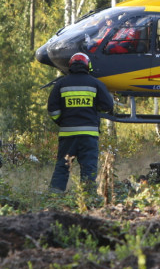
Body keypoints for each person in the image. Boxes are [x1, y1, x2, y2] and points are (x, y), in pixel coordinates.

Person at [47, 52, 114, 194]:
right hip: (89, 135)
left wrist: (62, 121)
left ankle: (53, 197)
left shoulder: (61, 84)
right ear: (88, 65)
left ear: (70, 66)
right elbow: (108, 106)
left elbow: (52, 110)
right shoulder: (95, 83)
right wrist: (94, 108)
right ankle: (88, 198)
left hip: (67, 134)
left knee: (62, 166)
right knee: (89, 168)